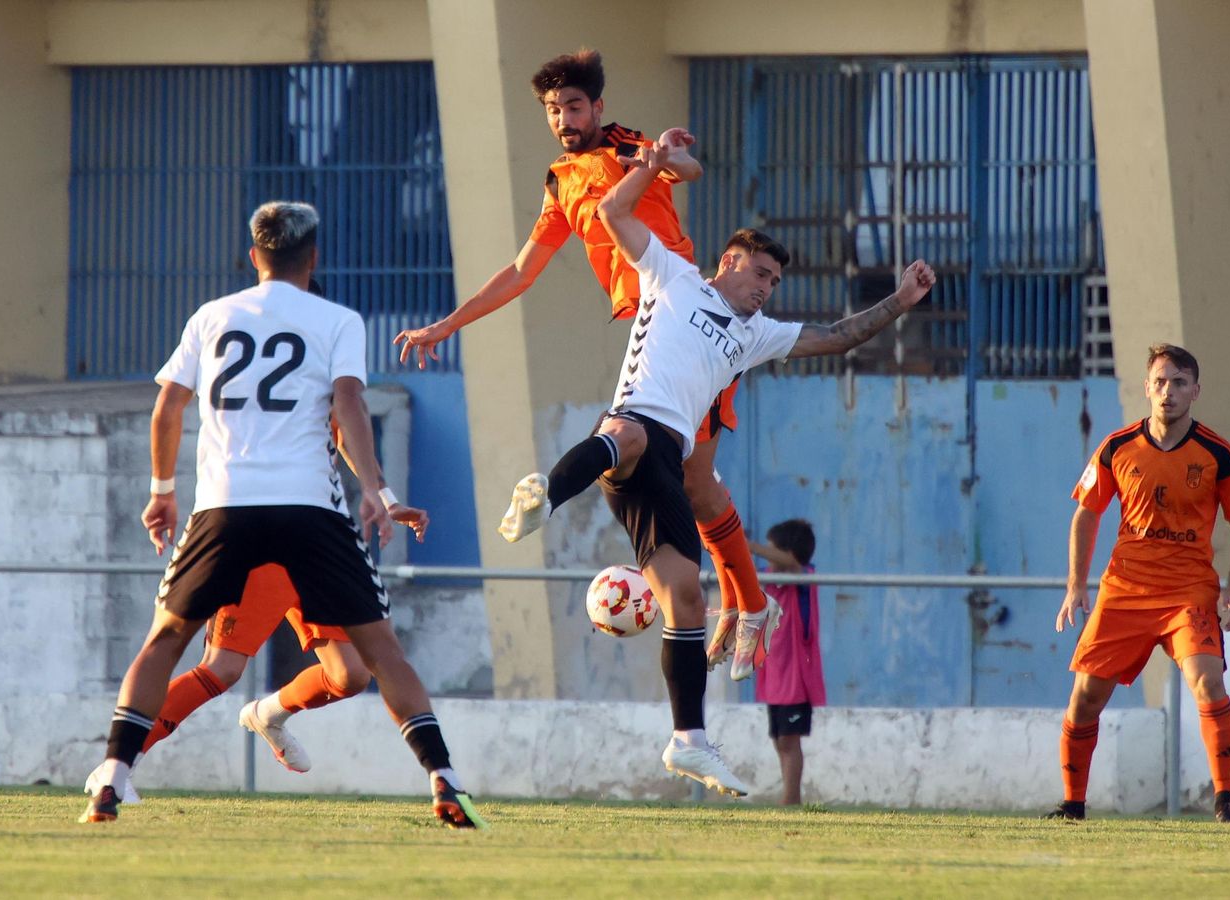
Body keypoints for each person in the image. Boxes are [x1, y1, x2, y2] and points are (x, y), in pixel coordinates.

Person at [493, 139, 936, 797]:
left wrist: (898, 301)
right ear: (729, 262)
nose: (766, 287)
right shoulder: (672, 275)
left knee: (685, 598)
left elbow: (837, 337)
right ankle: (545, 495)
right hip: (631, 430)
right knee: (626, 432)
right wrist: (650, 165)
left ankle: (688, 740)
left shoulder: (757, 334)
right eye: (760, 273)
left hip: (666, 466)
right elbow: (613, 213)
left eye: (774, 281)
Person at [79, 201, 485, 829]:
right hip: (308, 514)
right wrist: (378, 492)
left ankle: (126, 766)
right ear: (313, 258)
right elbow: (350, 407)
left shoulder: (212, 316)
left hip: (228, 508)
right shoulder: (337, 322)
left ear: (253, 256)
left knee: (187, 643)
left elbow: (169, 407)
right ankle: (444, 779)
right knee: (365, 654)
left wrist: (161, 491)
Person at [391, 49, 778, 678]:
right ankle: (746, 604)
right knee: (694, 482)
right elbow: (521, 272)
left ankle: (751, 604)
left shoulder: (626, 145)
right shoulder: (560, 181)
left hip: (689, 324)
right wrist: (446, 325)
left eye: (573, 106)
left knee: (697, 483)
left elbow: (689, 168)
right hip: (650, 330)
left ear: (597, 107)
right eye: (553, 110)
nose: (563, 119)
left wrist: (661, 158)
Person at [1051, 344, 1230, 823]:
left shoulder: (1218, 454)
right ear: (1147, 387)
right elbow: (1087, 513)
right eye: (1161, 382)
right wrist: (1076, 585)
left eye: (1179, 383)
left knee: (1207, 681)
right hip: (1125, 590)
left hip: (1189, 592)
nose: (1169, 392)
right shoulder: (1117, 446)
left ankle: (1226, 801)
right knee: (1085, 697)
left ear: (1196, 391)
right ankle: (1072, 804)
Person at [750, 520, 825, 806]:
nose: (769, 558)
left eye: (773, 551)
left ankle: (791, 800)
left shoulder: (802, 577)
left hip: (796, 676)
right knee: (779, 739)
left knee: (789, 740)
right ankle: (790, 798)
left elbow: (792, 564)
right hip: (774, 675)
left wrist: (749, 545)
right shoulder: (770, 579)